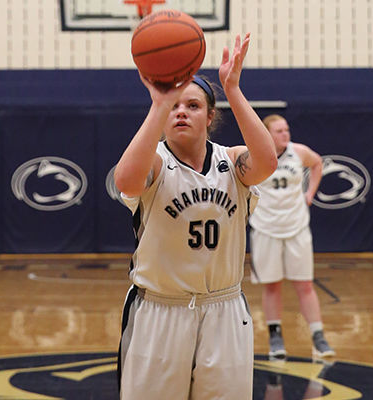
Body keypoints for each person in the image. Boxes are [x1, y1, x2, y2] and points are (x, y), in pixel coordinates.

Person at [113, 33, 277, 400]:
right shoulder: (155, 161)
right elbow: (125, 179)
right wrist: (159, 103)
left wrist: (232, 89)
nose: (181, 111)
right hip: (159, 310)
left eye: (192, 105)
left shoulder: (232, 162)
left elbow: (267, 162)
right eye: (174, 107)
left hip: (224, 310)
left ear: (210, 115)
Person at [249, 114, 335, 359]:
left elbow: (317, 163)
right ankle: (275, 336)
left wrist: (310, 193)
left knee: (305, 284)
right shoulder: (255, 154)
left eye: (286, 129)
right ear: (267, 133)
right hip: (265, 228)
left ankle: (318, 336)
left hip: (296, 227)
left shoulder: (298, 151)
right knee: (272, 285)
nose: (285, 134)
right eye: (279, 131)